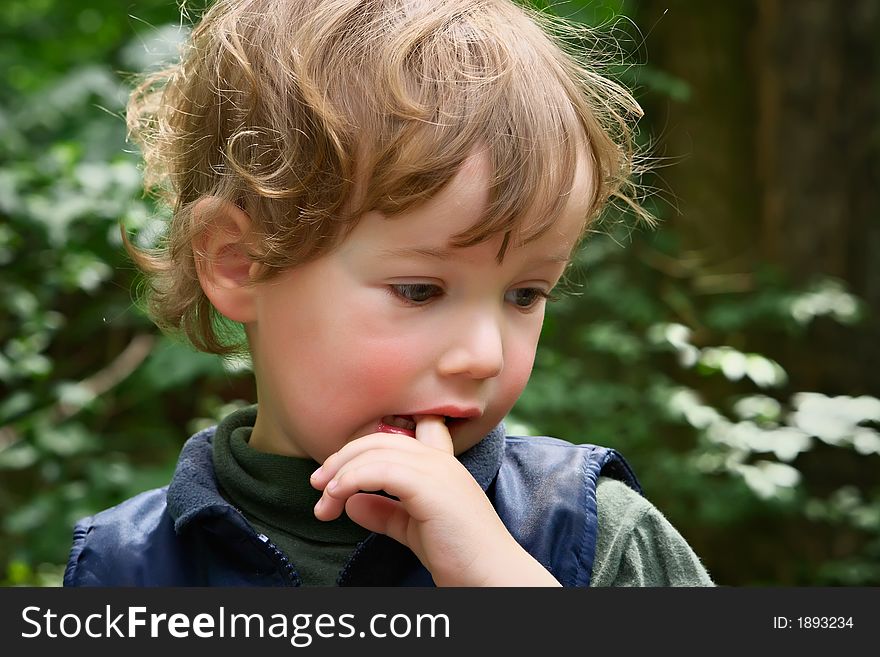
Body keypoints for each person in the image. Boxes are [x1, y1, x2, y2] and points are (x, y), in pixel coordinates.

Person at [64, 0, 713, 587]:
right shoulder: (125, 567)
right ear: (239, 264)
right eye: (420, 289)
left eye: (524, 294)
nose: (484, 355)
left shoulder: (591, 532)